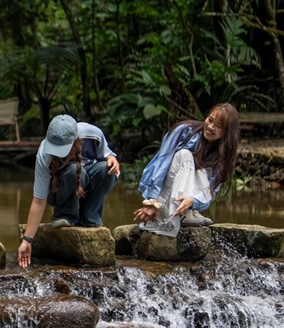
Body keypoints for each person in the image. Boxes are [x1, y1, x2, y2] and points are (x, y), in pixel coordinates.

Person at [18, 115, 120, 268]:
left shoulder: (93, 134)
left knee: (105, 168)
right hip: (59, 190)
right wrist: (27, 240)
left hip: (87, 183)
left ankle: (90, 217)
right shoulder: (44, 153)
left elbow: (106, 156)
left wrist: (113, 160)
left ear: (75, 142)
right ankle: (65, 215)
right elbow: (39, 200)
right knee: (73, 170)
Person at [133, 103, 239, 236]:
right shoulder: (184, 131)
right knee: (185, 155)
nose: (210, 127)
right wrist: (153, 201)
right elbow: (161, 164)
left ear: (227, 132)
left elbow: (212, 189)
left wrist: (194, 201)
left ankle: (186, 212)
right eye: (210, 120)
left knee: (204, 171)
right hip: (163, 192)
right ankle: (171, 216)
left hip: (186, 200)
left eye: (218, 126)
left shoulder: (223, 154)